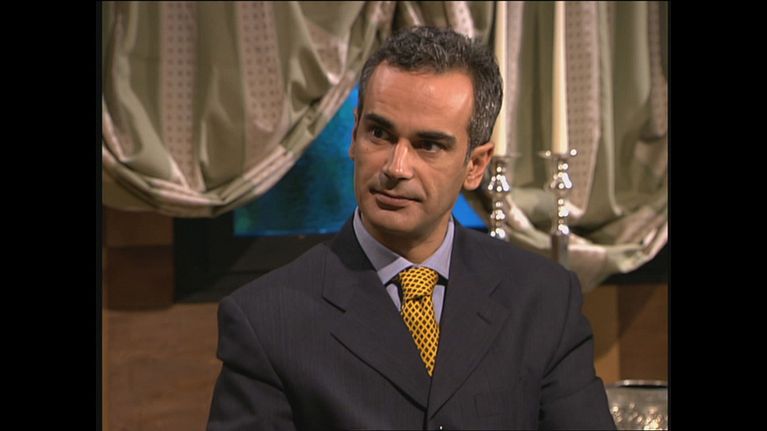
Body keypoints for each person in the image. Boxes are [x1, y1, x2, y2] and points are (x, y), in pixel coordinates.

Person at [207, 26, 616, 430]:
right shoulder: (267, 320)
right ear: (354, 134)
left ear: (476, 165)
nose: (396, 167)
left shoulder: (543, 299)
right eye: (379, 133)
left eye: (428, 145)